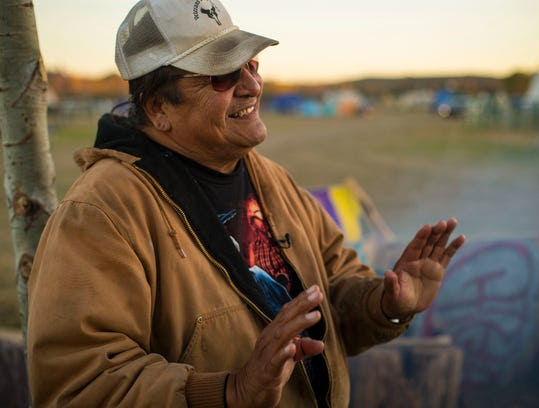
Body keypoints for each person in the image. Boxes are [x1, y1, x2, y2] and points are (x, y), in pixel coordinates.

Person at [27, 0, 465, 406]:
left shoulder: (272, 179)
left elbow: (334, 291)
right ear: (159, 105)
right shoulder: (101, 213)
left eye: (251, 64)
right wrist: (228, 393)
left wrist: (386, 305)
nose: (252, 85)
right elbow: (80, 384)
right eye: (221, 74)